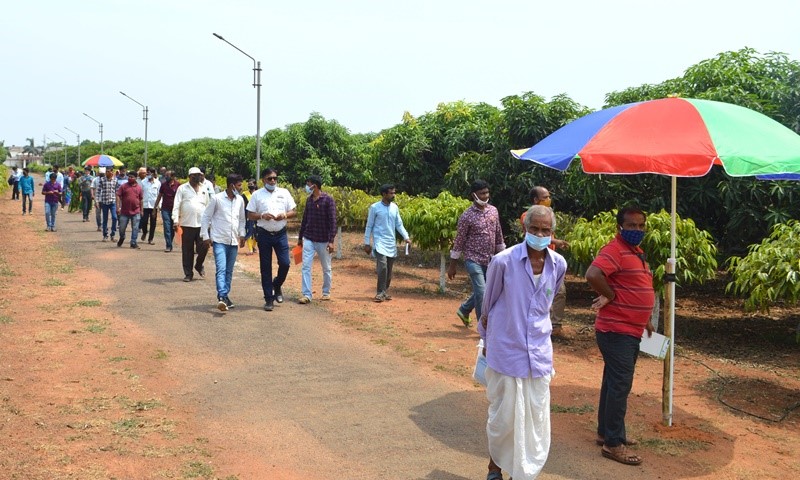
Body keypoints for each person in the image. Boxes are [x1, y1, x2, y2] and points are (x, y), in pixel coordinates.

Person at [479, 205, 567, 480]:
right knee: (504, 417)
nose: (539, 235)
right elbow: (487, 306)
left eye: (545, 230)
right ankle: (494, 467)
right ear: (524, 229)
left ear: (552, 233)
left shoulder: (558, 264)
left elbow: (547, 303)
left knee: (534, 417)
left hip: (539, 353)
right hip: (506, 350)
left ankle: (522, 473)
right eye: (534, 229)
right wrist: (486, 341)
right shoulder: (503, 262)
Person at [585, 207, 655, 467]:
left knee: (612, 382)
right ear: (619, 228)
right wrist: (611, 295)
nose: (637, 230)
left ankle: (607, 432)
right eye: (631, 225)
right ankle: (613, 444)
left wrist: (645, 318)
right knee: (620, 385)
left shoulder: (636, 252)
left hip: (630, 330)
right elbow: (593, 274)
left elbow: (635, 287)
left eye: (641, 225)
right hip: (616, 331)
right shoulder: (614, 249)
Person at [447, 180, 505, 327]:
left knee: (486, 290)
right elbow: (459, 240)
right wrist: (452, 265)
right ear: (474, 195)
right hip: (473, 259)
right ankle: (483, 326)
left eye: (487, 192)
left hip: (490, 259)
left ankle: (464, 309)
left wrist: (504, 256)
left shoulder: (493, 211)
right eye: (482, 193)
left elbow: (498, 234)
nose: (485, 196)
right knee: (482, 292)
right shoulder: (467, 216)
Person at [245, 168, 297, 311]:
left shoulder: (284, 193)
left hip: (280, 234)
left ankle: (277, 284)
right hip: (264, 234)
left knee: (285, 263)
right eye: (269, 178)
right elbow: (250, 214)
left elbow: (293, 211)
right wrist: (262, 215)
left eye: (275, 178)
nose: (273, 181)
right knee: (265, 267)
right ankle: (268, 299)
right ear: (263, 180)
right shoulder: (257, 195)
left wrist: (285, 215)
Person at [521, 186, 570, 337]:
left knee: (558, 292)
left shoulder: (549, 215)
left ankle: (554, 325)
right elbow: (536, 235)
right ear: (536, 200)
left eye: (549, 197)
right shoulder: (527, 216)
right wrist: (556, 241)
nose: (548, 200)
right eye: (545, 198)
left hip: (549, 262)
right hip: (532, 260)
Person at [201, 173, 246, 311]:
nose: (241, 188)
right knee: (221, 268)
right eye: (239, 185)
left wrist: (242, 234)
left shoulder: (240, 200)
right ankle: (221, 296)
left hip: (233, 241)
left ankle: (225, 295)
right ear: (232, 185)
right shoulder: (217, 199)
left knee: (229, 270)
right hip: (219, 239)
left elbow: (242, 219)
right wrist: (205, 235)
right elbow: (206, 217)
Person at [363, 184, 411, 302]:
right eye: (391, 193)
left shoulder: (394, 208)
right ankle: (380, 292)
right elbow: (369, 226)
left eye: (394, 193)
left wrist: (406, 237)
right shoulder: (374, 208)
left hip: (391, 242)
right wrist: (367, 243)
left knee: (389, 270)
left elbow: (399, 224)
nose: (393, 195)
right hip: (379, 242)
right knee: (383, 267)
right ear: (384, 194)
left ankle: (385, 291)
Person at [297, 175, 337, 304]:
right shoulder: (309, 200)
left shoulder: (328, 200)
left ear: (315, 185)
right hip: (309, 237)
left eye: (308, 184)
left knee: (326, 267)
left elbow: (333, 221)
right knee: (306, 266)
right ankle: (307, 294)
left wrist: (331, 240)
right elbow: (305, 219)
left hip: (323, 239)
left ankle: (326, 292)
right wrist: (300, 238)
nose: (307, 186)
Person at [173, 167, 210, 281]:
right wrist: (175, 220)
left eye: (199, 175)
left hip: (202, 224)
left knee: (204, 246)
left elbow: (208, 205)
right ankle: (188, 273)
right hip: (187, 223)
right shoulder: (182, 188)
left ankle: (199, 264)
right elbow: (176, 204)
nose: (197, 177)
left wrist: (210, 222)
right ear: (190, 176)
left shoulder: (204, 188)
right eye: (194, 175)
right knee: (187, 250)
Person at [116, 171, 144, 249]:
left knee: (135, 228)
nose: (130, 178)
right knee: (122, 228)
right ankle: (122, 237)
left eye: (132, 177)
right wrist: (118, 207)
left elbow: (141, 199)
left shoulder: (139, 188)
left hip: (136, 211)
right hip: (124, 211)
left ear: (135, 178)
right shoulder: (123, 186)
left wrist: (141, 210)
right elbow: (118, 195)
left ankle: (133, 242)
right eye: (129, 177)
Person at [155, 170, 179, 253]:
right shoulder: (164, 185)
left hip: (175, 210)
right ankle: (168, 245)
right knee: (167, 227)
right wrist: (155, 207)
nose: (166, 177)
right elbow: (159, 196)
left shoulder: (178, 185)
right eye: (165, 175)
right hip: (165, 209)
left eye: (168, 175)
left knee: (172, 228)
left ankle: (170, 242)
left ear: (172, 176)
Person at [139, 166, 161, 245]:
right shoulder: (143, 182)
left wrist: (159, 206)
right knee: (144, 221)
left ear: (153, 174)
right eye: (147, 173)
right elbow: (140, 194)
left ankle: (150, 239)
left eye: (150, 173)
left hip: (153, 206)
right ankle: (145, 232)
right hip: (145, 205)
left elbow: (159, 195)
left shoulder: (158, 183)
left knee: (153, 223)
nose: (148, 174)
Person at [96, 167, 118, 242]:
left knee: (114, 218)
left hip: (113, 202)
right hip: (104, 202)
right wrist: (97, 201)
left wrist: (119, 203)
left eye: (109, 171)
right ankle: (105, 235)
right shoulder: (102, 180)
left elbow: (117, 191)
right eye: (106, 171)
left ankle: (113, 234)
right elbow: (98, 191)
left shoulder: (115, 180)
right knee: (105, 219)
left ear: (112, 172)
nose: (107, 173)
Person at [241, 180, 258, 255]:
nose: (250, 185)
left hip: (257, 215)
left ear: (255, 185)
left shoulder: (258, 193)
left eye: (251, 184)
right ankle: (250, 249)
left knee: (257, 232)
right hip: (248, 215)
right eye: (249, 184)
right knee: (249, 231)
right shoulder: (244, 194)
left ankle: (253, 247)